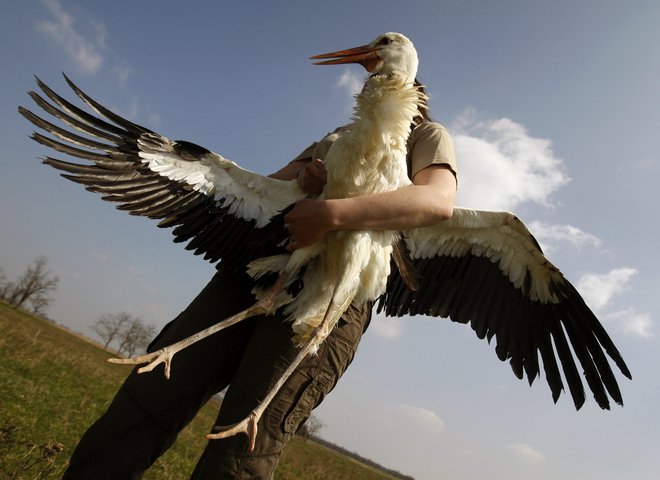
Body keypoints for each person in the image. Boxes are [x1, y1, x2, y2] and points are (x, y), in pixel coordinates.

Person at [62, 91, 457, 480]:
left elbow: (437, 202)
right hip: (256, 270)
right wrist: (305, 177)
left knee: (244, 447)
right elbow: (274, 185)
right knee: (154, 393)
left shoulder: (426, 135)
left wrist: (331, 214)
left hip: (331, 292)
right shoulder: (340, 134)